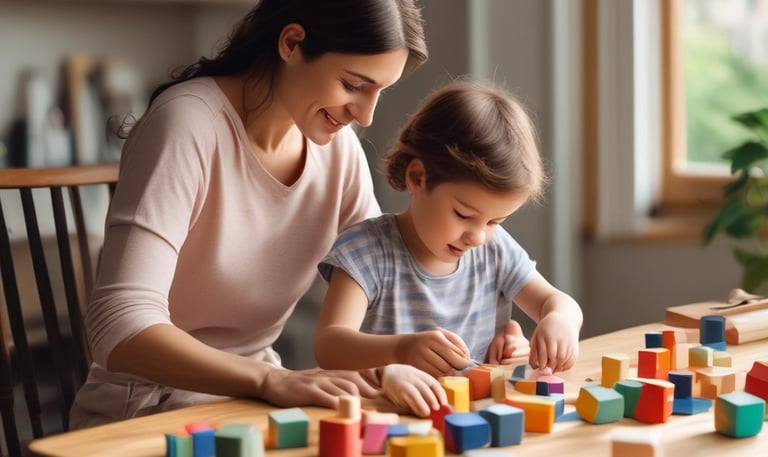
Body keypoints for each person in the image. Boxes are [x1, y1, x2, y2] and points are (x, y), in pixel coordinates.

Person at [69, 0, 428, 429]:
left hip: (253, 408)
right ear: (292, 44)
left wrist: (405, 358)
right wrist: (268, 379)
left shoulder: (340, 153)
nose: (365, 114)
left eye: (379, 91)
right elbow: (120, 325)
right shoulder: (187, 125)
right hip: (142, 412)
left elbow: (383, 285)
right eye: (353, 84)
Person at [313, 79, 583, 417]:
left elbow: (557, 301)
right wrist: (400, 351)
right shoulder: (367, 251)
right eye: (464, 215)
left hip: (474, 419)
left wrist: (560, 320)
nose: (478, 237)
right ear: (417, 178)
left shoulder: (494, 249)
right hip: (384, 418)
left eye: (494, 221)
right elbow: (329, 345)